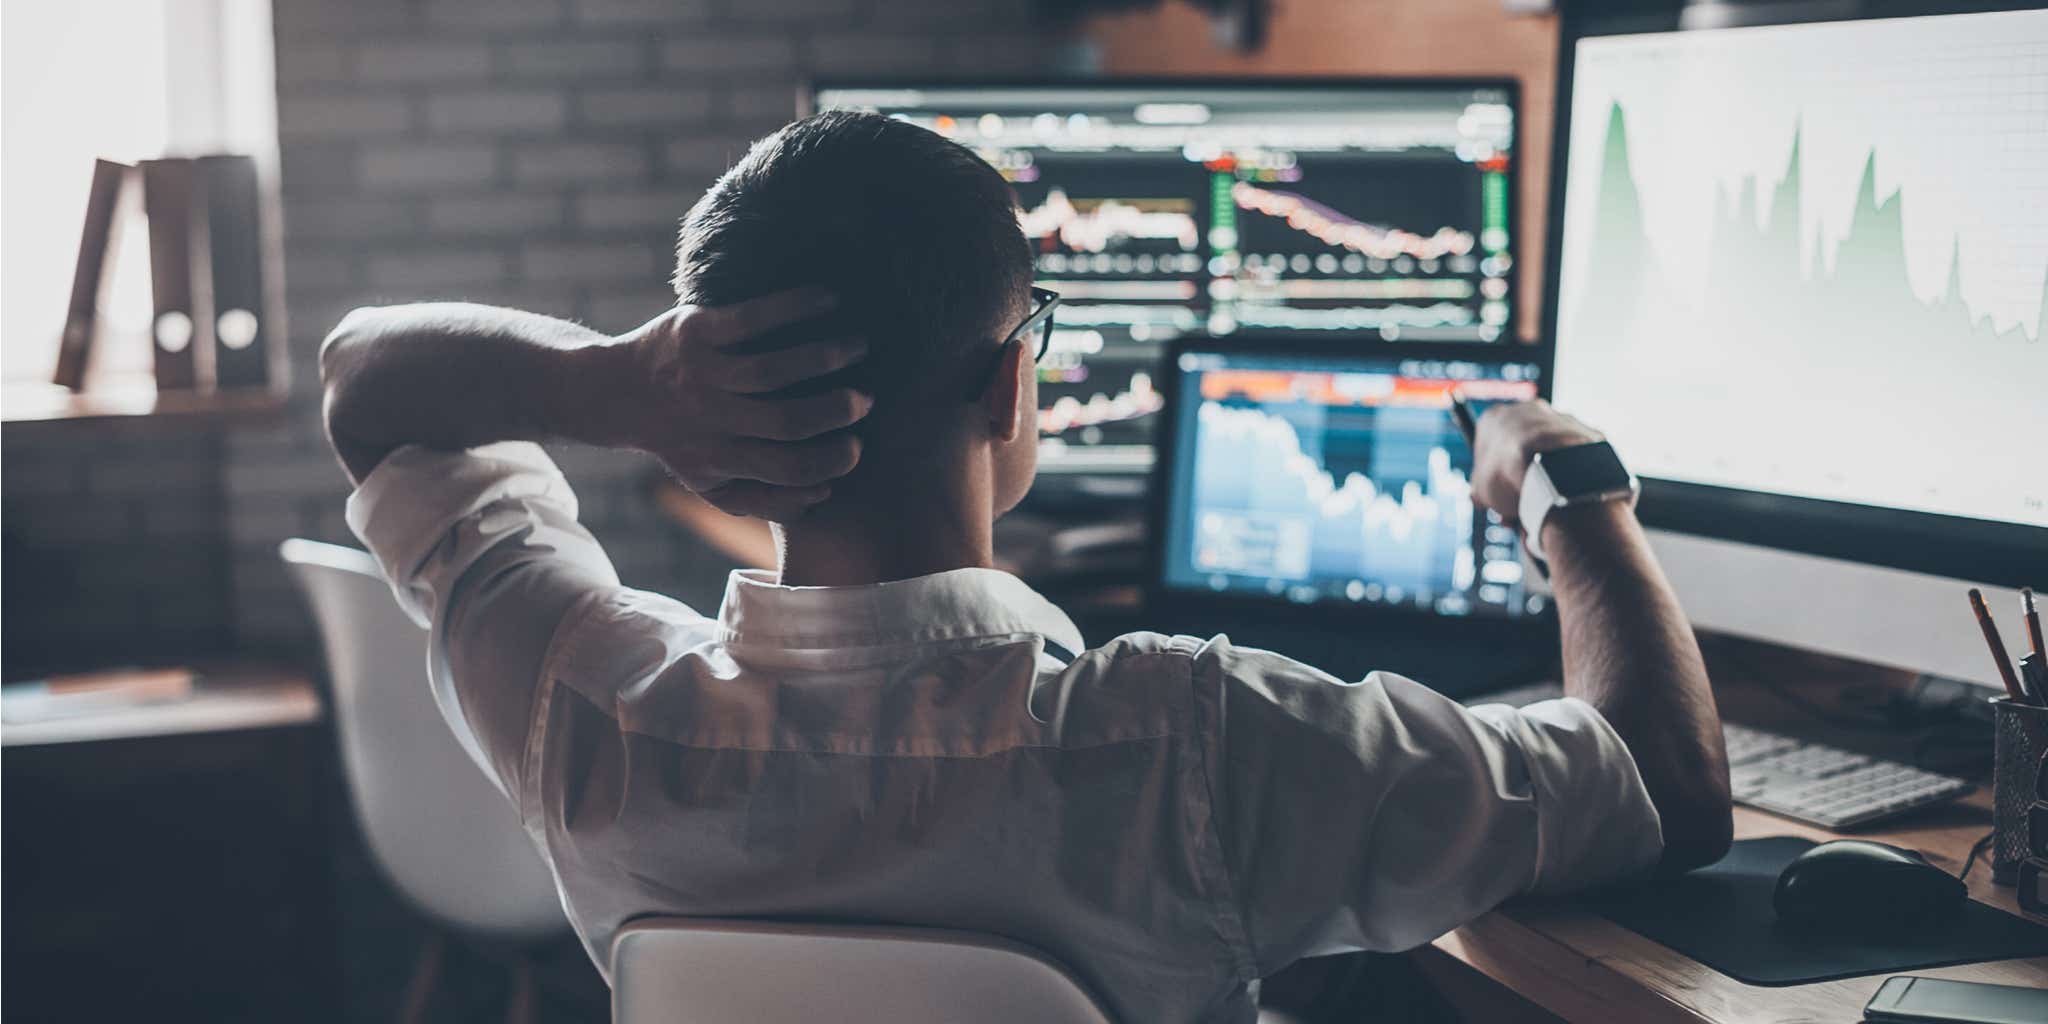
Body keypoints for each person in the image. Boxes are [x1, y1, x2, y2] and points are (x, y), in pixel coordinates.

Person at [323, 110, 1731, 1024]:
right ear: (1011, 390)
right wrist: (1570, 487)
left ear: (701, 424)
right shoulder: (1196, 736)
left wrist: (613, 389)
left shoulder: (583, 702)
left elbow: (366, 385)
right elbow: (1667, 784)